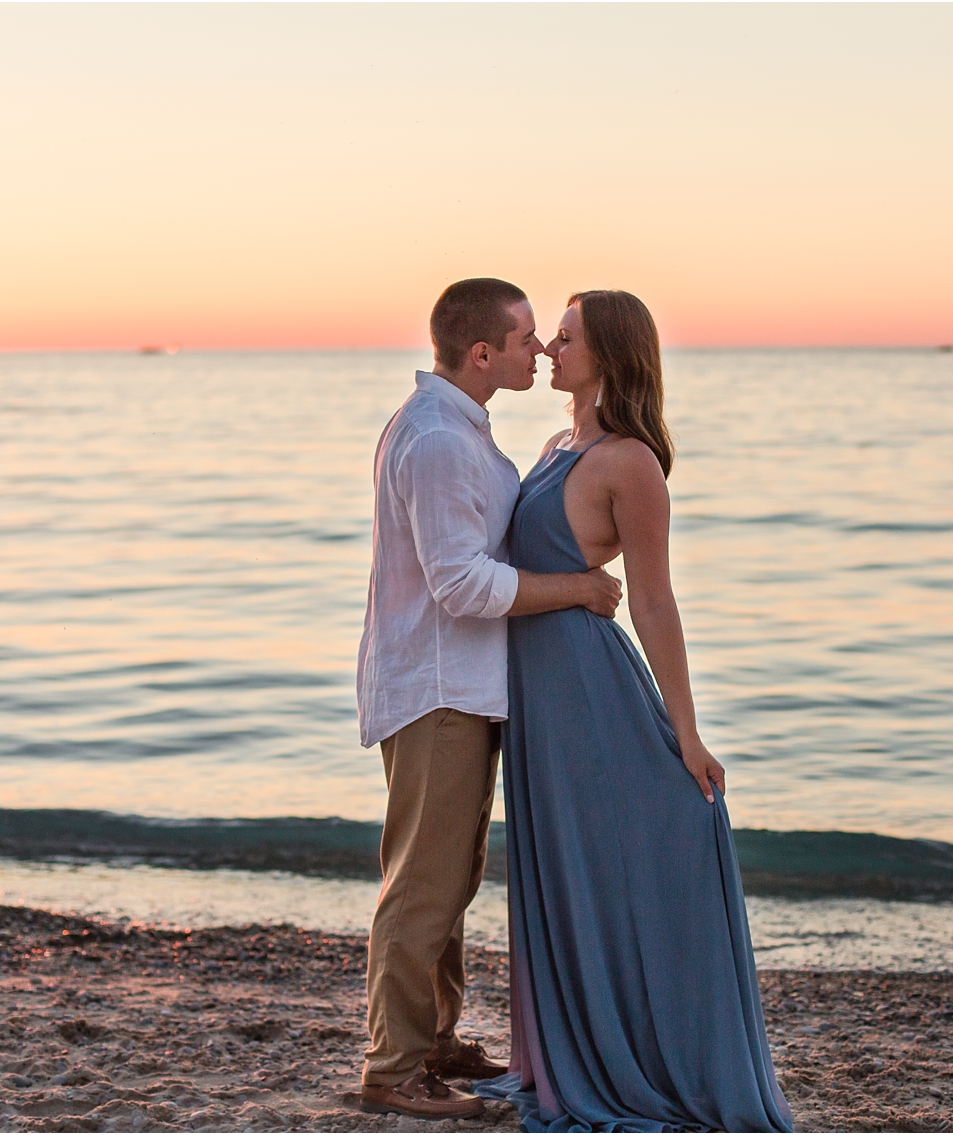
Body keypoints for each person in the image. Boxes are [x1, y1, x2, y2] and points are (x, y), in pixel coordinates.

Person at [476, 291, 795, 1131]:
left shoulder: (630, 463)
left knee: (613, 865)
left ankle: (649, 1055)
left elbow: (653, 602)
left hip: (589, 694)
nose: (548, 347)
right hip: (536, 697)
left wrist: (686, 734)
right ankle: (570, 1051)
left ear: (610, 354)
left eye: (568, 338)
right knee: (562, 872)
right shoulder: (553, 443)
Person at [355, 278, 624, 1120]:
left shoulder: (459, 429)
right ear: (483, 353)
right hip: (438, 688)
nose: (539, 349)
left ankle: (433, 1038)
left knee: (452, 874)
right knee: (424, 883)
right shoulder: (437, 439)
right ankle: (392, 1068)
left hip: (462, 686)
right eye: (526, 338)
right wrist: (578, 588)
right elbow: (461, 584)